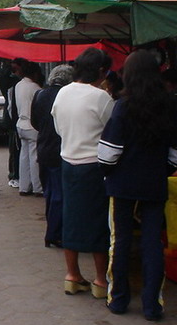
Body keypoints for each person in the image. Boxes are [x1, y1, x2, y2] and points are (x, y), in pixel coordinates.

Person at [98, 51, 177, 321]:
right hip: (154, 184)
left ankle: (119, 300)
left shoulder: (123, 106)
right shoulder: (170, 104)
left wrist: (108, 173)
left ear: (130, 75)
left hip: (122, 184)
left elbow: (109, 152)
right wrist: (162, 171)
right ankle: (152, 306)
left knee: (120, 241)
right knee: (152, 242)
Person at [51, 48, 115, 297]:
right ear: (101, 71)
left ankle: (72, 275)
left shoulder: (62, 93)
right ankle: (100, 280)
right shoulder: (101, 98)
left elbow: (58, 129)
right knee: (98, 222)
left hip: (68, 162)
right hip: (94, 166)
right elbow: (112, 132)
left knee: (72, 218)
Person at [30, 64, 74, 248]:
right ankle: (54, 233)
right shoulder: (68, 97)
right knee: (59, 194)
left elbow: (35, 122)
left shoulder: (40, 95)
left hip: (44, 147)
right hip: (60, 149)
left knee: (49, 192)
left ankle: (53, 228)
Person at [14, 59, 44, 197]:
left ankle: (24, 186)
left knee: (24, 156)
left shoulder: (18, 85)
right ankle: (38, 187)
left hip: (21, 124)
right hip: (32, 126)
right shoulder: (36, 89)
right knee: (34, 157)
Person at [0, 58, 22, 188]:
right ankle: (14, 175)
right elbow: (1, 75)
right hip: (14, 122)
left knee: (18, 151)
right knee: (15, 150)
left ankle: (17, 174)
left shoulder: (16, 84)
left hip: (16, 122)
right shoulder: (11, 84)